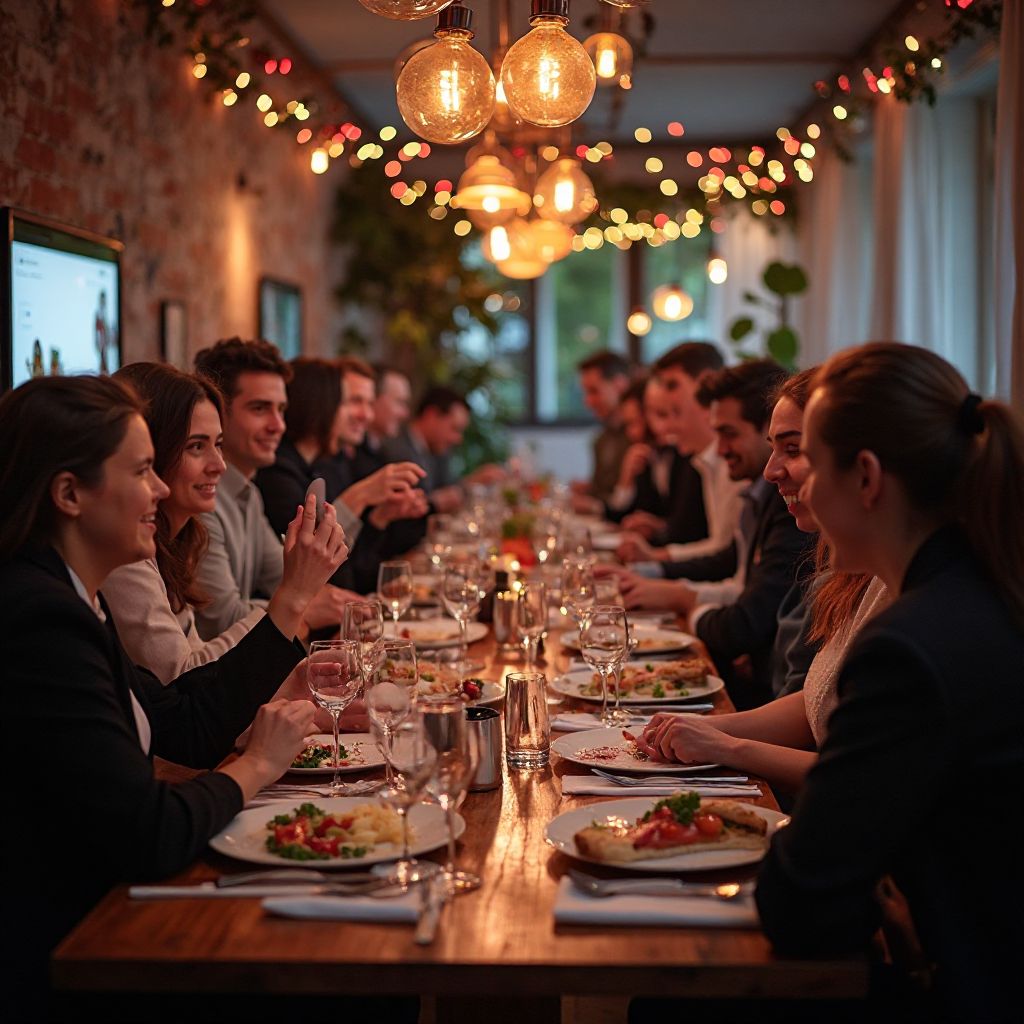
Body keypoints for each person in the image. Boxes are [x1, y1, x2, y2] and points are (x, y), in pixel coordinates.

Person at [0, 375, 346, 1013]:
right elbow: (146, 832)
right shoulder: (39, 620)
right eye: (141, 471)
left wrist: (264, 712)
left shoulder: (78, 597)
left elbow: (177, 720)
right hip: (71, 949)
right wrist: (255, 766)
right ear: (70, 494)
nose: (160, 486)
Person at [755, 343, 1024, 1022]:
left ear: (867, 479)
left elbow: (799, 899)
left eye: (811, 462)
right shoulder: (983, 589)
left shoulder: (906, 648)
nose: (793, 483)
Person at [637, 370, 887, 792]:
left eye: (794, 449)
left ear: (866, 468)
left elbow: (872, 780)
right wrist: (710, 728)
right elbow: (815, 700)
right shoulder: (865, 573)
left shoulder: (926, 602)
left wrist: (729, 748)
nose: (771, 473)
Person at [101, 363, 355, 683]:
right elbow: (186, 681)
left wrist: (301, 685)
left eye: (217, 444)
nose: (219, 466)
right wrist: (293, 603)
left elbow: (196, 666)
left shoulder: (182, 536)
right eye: (196, 446)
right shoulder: (125, 553)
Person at [615, 360, 814, 708]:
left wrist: (682, 600)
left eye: (793, 449)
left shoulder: (789, 508)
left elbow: (747, 624)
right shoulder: (766, 496)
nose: (772, 470)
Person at [192, 338, 355, 639]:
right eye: (259, 408)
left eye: (281, 409)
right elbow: (222, 619)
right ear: (218, 415)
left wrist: (340, 602)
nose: (278, 424)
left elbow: (288, 577)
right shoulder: (199, 502)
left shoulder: (248, 493)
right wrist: (302, 607)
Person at [256, 357, 426, 594]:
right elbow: (307, 573)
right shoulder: (277, 471)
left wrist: (380, 518)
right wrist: (361, 495)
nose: (365, 415)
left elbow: (351, 572)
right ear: (316, 403)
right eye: (349, 402)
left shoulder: (325, 464)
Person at [616, 341, 740, 561]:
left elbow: (725, 558)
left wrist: (655, 559)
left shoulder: (733, 459)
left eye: (672, 385)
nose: (666, 428)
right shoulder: (704, 460)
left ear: (706, 383)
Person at [380, 385, 501, 512]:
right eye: (455, 429)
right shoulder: (398, 450)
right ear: (431, 416)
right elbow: (410, 509)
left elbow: (446, 488)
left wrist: (472, 481)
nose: (458, 439)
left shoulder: (434, 448)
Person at [570, 349, 632, 505]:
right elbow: (604, 493)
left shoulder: (642, 436)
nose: (587, 401)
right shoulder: (601, 440)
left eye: (594, 391)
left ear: (620, 385)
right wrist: (588, 490)